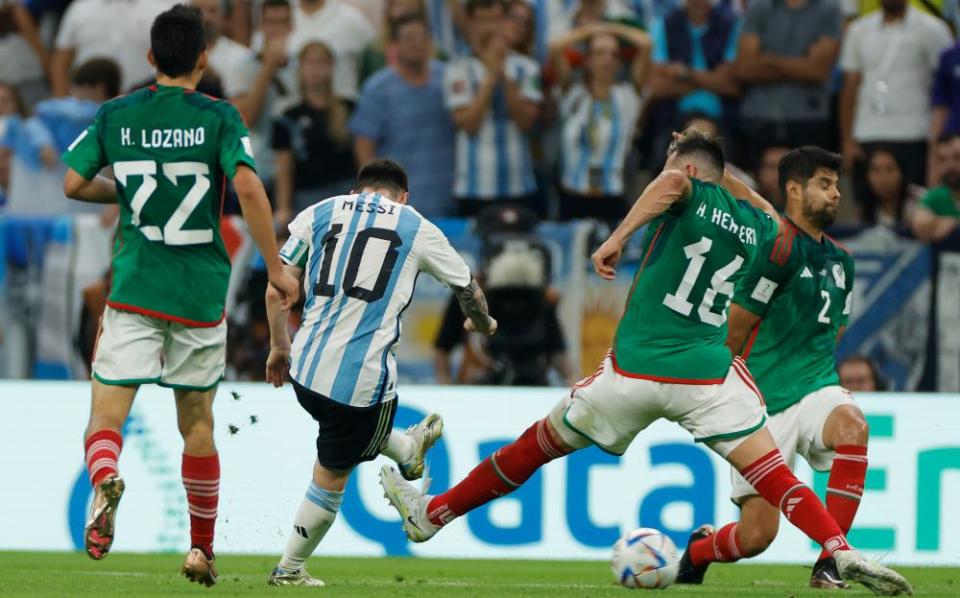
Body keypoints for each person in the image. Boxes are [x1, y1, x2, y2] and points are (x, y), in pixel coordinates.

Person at [378, 131, 913, 595]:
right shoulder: (761, 224)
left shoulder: (682, 190)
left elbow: (672, 186)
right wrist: (720, 173)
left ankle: (433, 514)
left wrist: (617, 238)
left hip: (633, 372)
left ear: (684, 171)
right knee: (773, 474)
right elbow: (760, 205)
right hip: (706, 377)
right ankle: (839, 550)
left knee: (532, 449)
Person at [60, 5, 298, 586]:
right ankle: (200, 549)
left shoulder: (116, 113)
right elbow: (246, 184)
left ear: (149, 59)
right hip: (199, 298)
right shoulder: (219, 117)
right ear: (203, 58)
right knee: (197, 424)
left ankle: (107, 475)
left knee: (106, 417)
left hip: (136, 291)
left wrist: (132, 196)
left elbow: (72, 181)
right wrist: (275, 268)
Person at [262, 159, 497, 586]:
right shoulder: (416, 225)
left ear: (358, 190)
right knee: (333, 474)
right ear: (403, 196)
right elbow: (467, 287)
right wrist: (482, 324)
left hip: (303, 367)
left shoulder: (319, 211)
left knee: (353, 434)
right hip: (358, 382)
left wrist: (279, 346)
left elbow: (278, 287)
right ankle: (290, 569)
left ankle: (405, 448)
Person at [675, 147, 871, 591]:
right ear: (795, 190)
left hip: (816, 387)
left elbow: (834, 331)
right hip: (761, 405)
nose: (836, 193)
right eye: (825, 184)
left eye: (837, 184)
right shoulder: (776, 249)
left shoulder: (844, 263)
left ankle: (830, 563)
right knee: (757, 537)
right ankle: (699, 551)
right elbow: (735, 332)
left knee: (853, 426)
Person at [839, 0, 951, 204]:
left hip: (915, 133)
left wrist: (939, 142)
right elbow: (850, 86)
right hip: (868, 131)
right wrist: (847, 140)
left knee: (912, 208)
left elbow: (945, 85)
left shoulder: (933, 29)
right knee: (867, 209)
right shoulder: (859, 29)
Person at [351, 12, 456, 218]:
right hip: (396, 202)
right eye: (408, 39)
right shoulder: (377, 87)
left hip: (447, 196)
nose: (415, 44)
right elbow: (364, 144)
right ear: (394, 44)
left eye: (421, 38)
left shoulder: (448, 78)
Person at [445, 0, 543, 217]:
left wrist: (502, 73)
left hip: (519, 186)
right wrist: (491, 77)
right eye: (482, 20)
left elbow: (527, 122)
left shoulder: (527, 67)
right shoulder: (457, 68)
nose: (489, 28)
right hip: (473, 188)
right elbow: (468, 124)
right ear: (470, 24)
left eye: (495, 20)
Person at [551, 22, 650, 223]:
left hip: (612, 197)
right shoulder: (573, 93)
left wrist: (610, 28)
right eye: (600, 53)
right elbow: (555, 47)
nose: (608, 60)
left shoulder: (628, 96)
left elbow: (646, 44)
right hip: (572, 196)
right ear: (587, 61)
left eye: (614, 55)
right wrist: (591, 29)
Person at [735, 0, 842, 170]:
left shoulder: (828, 9)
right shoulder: (758, 7)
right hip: (758, 117)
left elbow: (818, 71)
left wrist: (768, 60)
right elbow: (745, 68)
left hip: (809, 118)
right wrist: (801, 64)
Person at [272, 40, 355, 226]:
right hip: (308, 197)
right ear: (300, 68)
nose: (315, 69)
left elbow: (363, 157)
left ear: (331, 67)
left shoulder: (348, 108)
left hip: (346, 194)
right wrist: (283, 208)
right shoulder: (288, 118)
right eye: (310, 63)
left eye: (321, 63)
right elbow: (284, 169)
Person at [646, 0, 741, 147]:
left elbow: (731, 85)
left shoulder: (730, 26)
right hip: (672, 119)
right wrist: (712, 81)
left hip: (722, 119)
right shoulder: (663, 25)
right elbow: (657, 86)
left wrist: (684, 74)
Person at [51, 0, 173, 95]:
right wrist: (63, 101)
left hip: (143, 106)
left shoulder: (162, 10)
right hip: (88, 108)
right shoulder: (79, 8)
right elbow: (61, 63)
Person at [288, 0, 376, 100]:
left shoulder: (352, 20)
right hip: (290, 109)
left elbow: (376, 61)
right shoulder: (279, 17)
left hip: (345, 109)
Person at [193, 0, 258, 101]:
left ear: (223, 17)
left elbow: (240, 112)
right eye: (197, 11)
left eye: (212, 11)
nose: (205, 17)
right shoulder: (173, 54)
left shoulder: (241, 57)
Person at [912, 133, 960, 242]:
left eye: (957, 158)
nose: (950, 166)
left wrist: (953, 223)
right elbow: (921, 222)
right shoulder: (935, 196)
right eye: (942, 160)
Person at [862, 146, 922, 227]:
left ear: (902, 173)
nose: (883, 178)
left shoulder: (919, 200)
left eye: (890, 169)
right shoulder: (863, 206)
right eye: (876, 170)